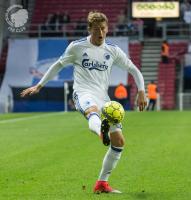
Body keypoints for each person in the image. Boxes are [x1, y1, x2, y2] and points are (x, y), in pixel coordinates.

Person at [20, 11, 147, 194]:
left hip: (104, 98)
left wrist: (141, 91)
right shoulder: (77, 47)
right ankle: (100, 132)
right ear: (89, 30)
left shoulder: (112, 50)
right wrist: (39, 86)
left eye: (103, 29)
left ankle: (102, 183)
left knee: (119, 141)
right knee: (92, 112)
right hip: (83, 93)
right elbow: (57, 65)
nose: (101, 33)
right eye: (96, 30)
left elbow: (134, 70)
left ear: (107, 28)